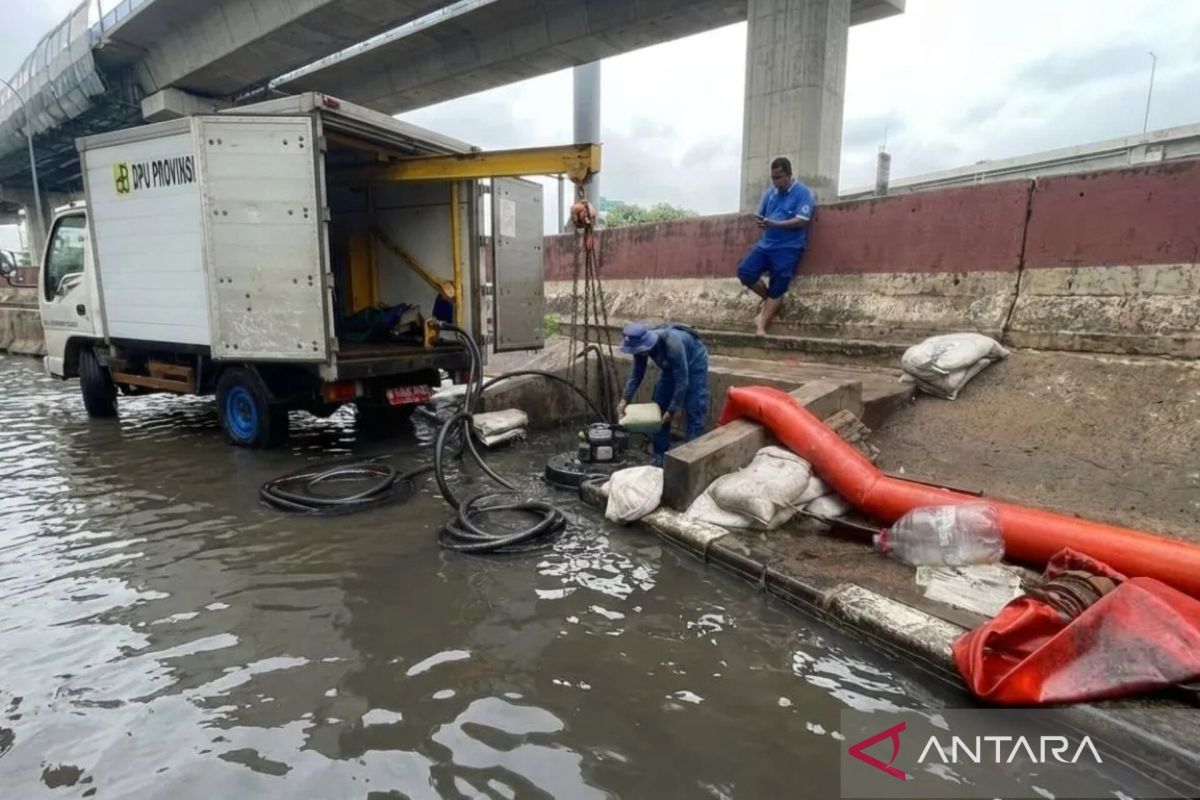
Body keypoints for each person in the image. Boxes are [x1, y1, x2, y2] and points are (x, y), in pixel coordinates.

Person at [736, 156, 815, 336]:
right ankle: (771, 300)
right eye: (773, 178)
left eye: (779, 177)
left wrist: (775, 224)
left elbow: (801, 221)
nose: (776, 182)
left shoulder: (802, 193)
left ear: (789, 175)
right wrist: (763, 222)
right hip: (766, 244)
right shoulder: (770, 193)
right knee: (745, 271)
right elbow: (762, 215)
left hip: (788, 247)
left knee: (779, 283)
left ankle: (761, 325)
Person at [617, 322, 710, 466]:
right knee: (659, 407)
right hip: (670, 368)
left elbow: (682, 381)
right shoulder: (640, 349)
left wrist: (672, 410)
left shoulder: (672, 344)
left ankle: (691, 459)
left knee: (694, 406)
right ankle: (659, 455)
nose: (639, 354)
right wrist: (625, 399)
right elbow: (637, 375)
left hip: (694, 361)